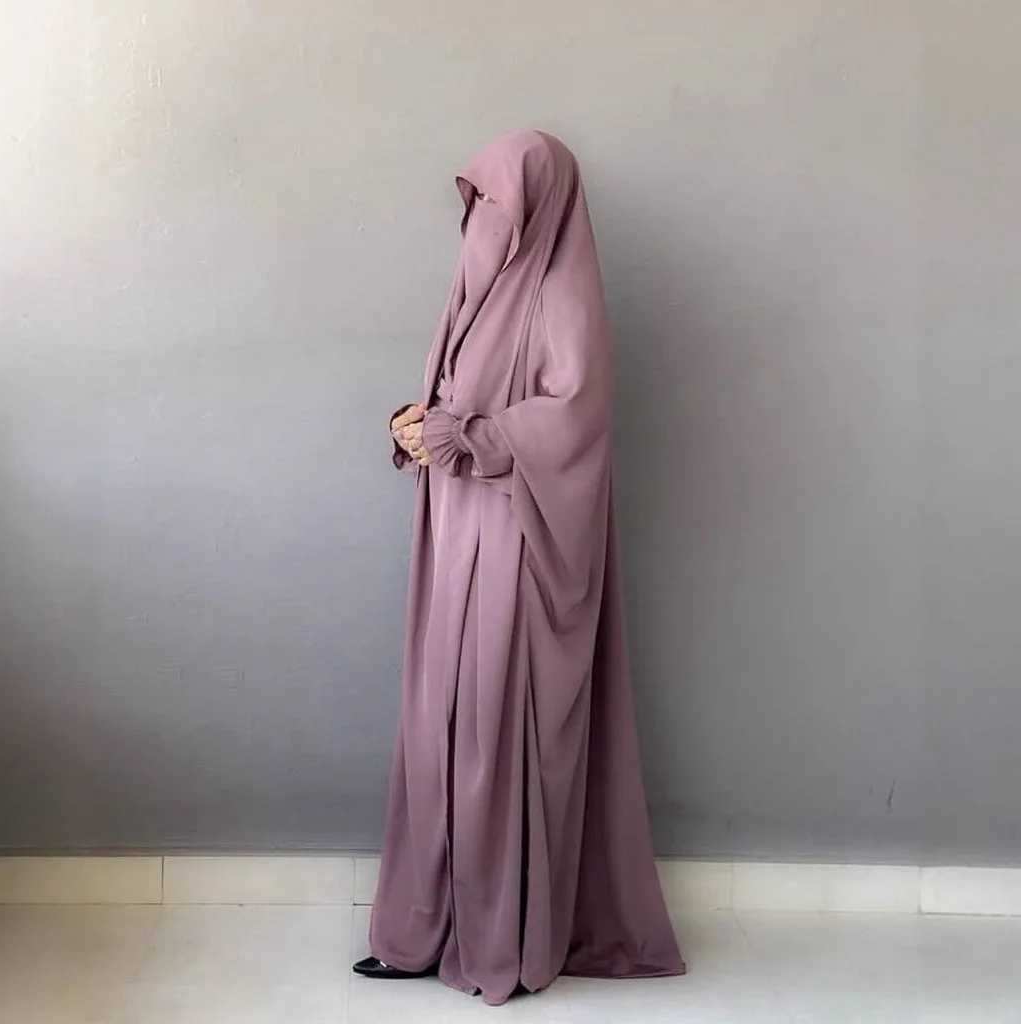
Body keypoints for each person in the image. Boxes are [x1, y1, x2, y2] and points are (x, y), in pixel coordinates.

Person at [353, 130, 685, 1006]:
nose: (484, 219)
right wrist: (421, 426)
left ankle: (505, 935)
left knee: (497, 731)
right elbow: (456, 401)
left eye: (499, 203)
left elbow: (574, 417)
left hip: (517, 539)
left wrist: (472, 437)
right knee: (442, 727)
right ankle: (427, 927)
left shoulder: (560, 294)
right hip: (456, 533)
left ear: (539, 210)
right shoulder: (477, 293)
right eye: (479, 204)